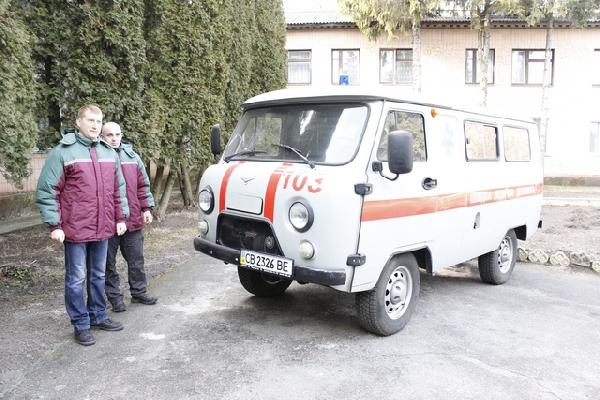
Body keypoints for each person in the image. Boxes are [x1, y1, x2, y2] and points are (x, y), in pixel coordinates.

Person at [36, 104, 129, 346]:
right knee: (76, 278)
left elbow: (118, 190)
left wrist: (121, 218)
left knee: (98, 275)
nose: (95, 125)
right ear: (78, 122)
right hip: (75, 229)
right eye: (90, 120)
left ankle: (98, 315)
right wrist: (54, 224)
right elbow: (48, 190)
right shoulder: (62, 152)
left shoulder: (109, 153)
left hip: (103, 227)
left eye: (98, 121)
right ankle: (81, 323)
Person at [100, 122, 157, 312]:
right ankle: (114, 298)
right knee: (108, 264)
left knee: (136, 259)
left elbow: (142, 185)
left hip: (132, 219)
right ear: (101, 136)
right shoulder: (98, 156)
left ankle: (139, 292)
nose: (114, 138)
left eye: (117, 134)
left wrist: (146, 208)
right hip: (109, 221)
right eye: (109, 135)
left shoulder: (132, 156)